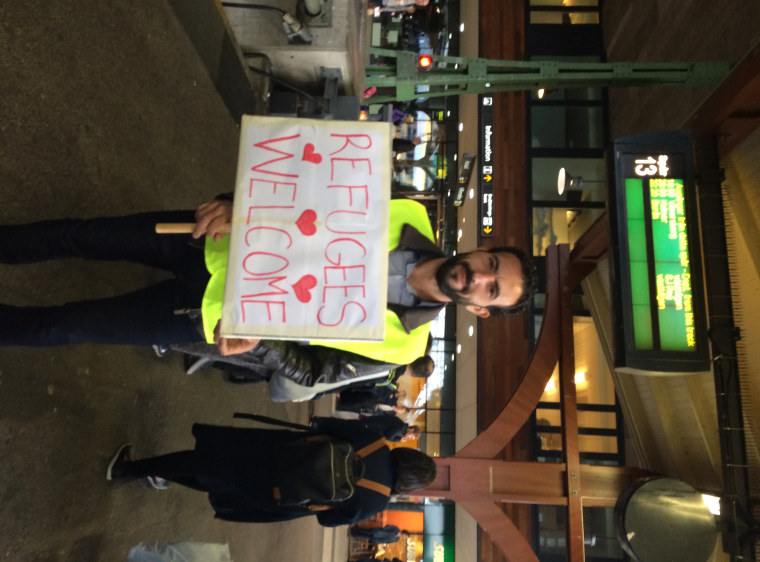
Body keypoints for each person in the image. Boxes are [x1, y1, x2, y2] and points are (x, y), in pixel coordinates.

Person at [0, 196, 536, 400]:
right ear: (483, 249)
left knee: (68, 327)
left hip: (208, 316)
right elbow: (306, 191)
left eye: (491, 289)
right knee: (80, 234)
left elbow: (319, 372)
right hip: (211, 239)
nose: (478, 277)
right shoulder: (409, 214)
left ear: (482, 309)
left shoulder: (402, 346)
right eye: (490, 265)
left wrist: (267, 346)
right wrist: (238, 201)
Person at [105, 417, 436, 526]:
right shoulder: (376, 503)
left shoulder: (374, 443)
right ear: (409, 486)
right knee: (218, 483)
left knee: (205, 461)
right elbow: (326, 518)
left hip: (274, 451)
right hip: (280, 492)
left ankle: (129, 469)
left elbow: (324, 424)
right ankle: (157, 474)